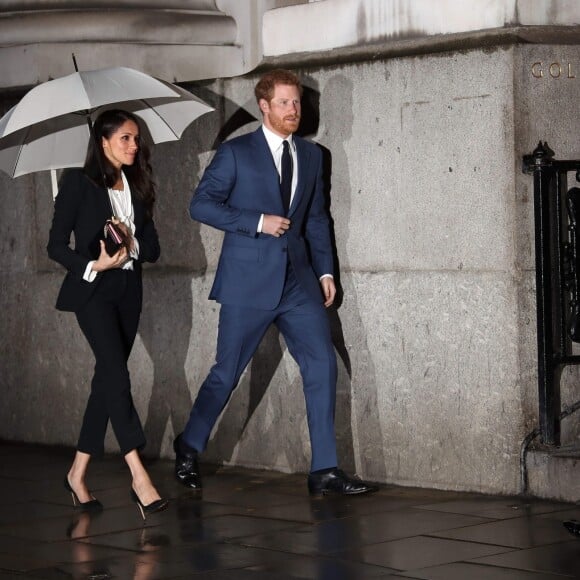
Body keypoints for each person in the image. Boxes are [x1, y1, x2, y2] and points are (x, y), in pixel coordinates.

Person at [174, 69, 377, 496]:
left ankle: (324, 470)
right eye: (284, 102)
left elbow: (318, 219)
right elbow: (200, 205)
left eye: (297, 102)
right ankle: (189, 445)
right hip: (248, 283)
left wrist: (325, 271)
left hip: (299, 283)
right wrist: (255, 222)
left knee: (321, 363)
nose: (293, 110)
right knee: (226, 372)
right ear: (264, 106)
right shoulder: (236, 153)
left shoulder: (313, 155)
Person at [47, 109, 168, 519]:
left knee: (106, 381)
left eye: (136, 139)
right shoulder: (78, 184)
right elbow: (55, 245)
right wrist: (94, 265)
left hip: (129, 290)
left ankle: (77, 474)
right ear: (103, 142)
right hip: (93, 290)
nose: (134, 146)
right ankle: (138, 474)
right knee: (117, 375)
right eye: (126, 139)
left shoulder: (138, 184)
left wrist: (130, 243)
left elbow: (152, 249)